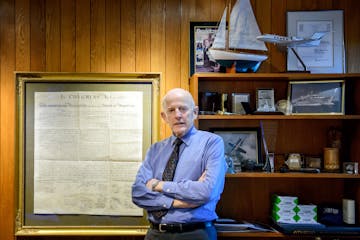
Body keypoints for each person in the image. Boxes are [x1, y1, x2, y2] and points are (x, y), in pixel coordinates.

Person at [132, 88, 227, 240]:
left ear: (194, 112)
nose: (177, 115)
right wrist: (175, 203)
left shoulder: (212, 143)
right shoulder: (155, 149)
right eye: (171, 110)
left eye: (183, 109)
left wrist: (158, 185)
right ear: (164, 117)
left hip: (195, 234)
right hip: (155, 234)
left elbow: (206, 191)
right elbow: (138, 193)